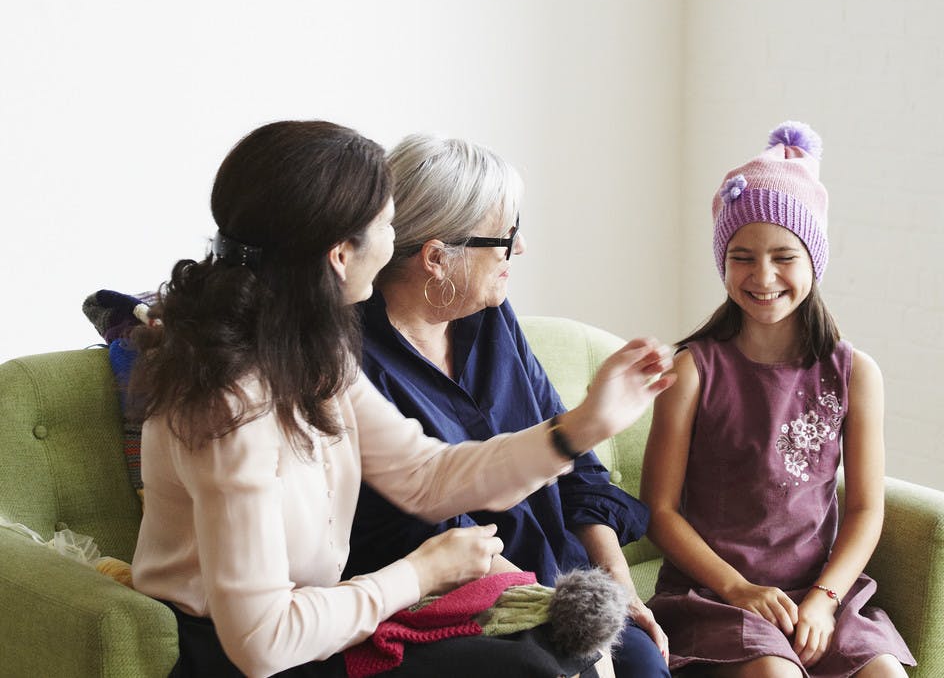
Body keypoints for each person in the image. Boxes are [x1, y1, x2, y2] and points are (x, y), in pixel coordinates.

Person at [127, 120, 676, 678]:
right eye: (390, 225)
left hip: (325, 627)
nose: (398, 245)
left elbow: (424, 474)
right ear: (342, 254)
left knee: (549, 661)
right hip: (237, 656)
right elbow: (261, 642)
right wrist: (419, 574)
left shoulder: (313, 352)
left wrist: (579, 428)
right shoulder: (229, 404)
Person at [342, 133, 670, 678]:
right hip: (455, 603)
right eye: (506, 235)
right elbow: (422, 534)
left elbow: (576, 468)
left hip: (561, 583)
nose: (519, 250)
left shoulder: (490, 318)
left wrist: (617, 588)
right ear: (436, 259)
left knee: (641, 657)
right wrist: (554, 611)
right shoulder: (354, 365)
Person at [639, 121, 916, 677]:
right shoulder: (691, 370)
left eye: (783, 256)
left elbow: (864, 509)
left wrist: (825, 599)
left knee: (884, 672)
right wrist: (738, 588)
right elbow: (659, 512)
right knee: (775, 673)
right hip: (717, 594)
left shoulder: (855, 374)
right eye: (741, 256)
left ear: (815, 259)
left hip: (819, 593)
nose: (762, 275)